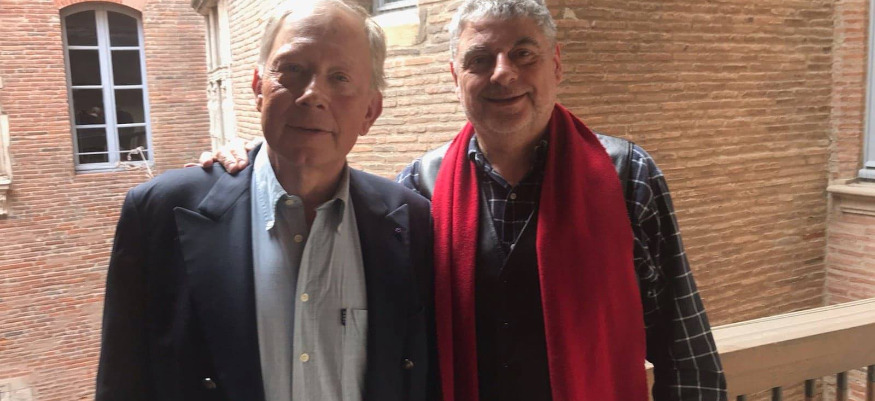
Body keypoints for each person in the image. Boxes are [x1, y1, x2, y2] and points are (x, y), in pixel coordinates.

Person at [208, 1, 726, 400]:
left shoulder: (625, 175)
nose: (502, 73)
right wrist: (258, 161)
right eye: (479, 59)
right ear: (456, 78)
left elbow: (684, 345)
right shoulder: (419, 190)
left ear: (556, 64)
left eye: (523, 54)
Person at [95, 2, 435, 401]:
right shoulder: (160, 213)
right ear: (259, 88)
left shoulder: (411, 223)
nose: (313, 94)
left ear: (370, 112)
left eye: (340, 77)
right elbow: (122, 382)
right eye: (293, 69)